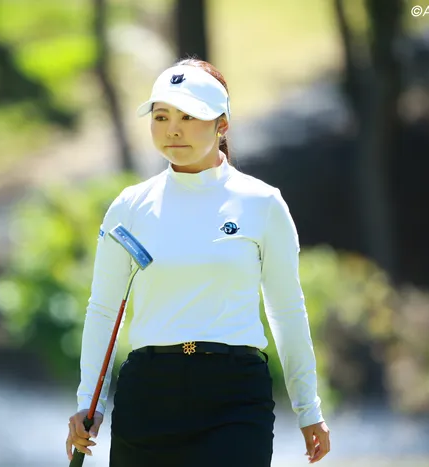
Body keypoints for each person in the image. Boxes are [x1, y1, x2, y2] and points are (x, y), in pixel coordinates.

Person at [65, 58, 331, 466]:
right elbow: (103, 308)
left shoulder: (262, 203)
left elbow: (287, 310)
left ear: (222, 124)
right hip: (148, 396)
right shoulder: (129, 207)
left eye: (189, 116)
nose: (173, 129)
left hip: (235, 398)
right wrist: (89, 401)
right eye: (162, 117)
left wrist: (307, 408)